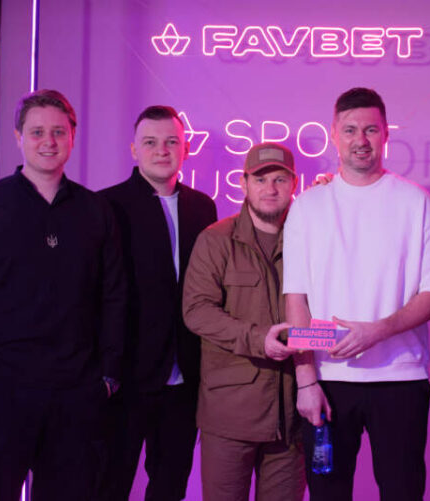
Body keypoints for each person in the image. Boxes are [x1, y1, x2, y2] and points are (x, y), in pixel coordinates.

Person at [0, 89, 125, 500]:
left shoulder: (95, 211)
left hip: (76, 395)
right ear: (18, 137)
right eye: (37, 132)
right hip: (1, 391)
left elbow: (115, 299)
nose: (48, 141)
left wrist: (108, 378)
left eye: (58, 132)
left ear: (73, 137)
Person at [283, 87, 430, 500]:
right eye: (350, 130)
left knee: (402, 491)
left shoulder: (416, 202)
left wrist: (378, 331)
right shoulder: (307, 206)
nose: (361, 140)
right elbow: (296, 300)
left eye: (371, 130)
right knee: (328, 493)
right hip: (327, 380)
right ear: (333, 134)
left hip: (401, 378)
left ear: (386, 133)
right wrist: (305, 380)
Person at [100, 105, 217, 500]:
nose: (162, 150)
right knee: (108, 486)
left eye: (171, 142)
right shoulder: (107, 206)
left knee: (170, 487)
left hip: (185, 379)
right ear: (134, 149)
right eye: (150, 142)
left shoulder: (203, 207)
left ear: (185, 148)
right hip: (124, 378)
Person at [183, 142, 304, 501]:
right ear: (243, 183)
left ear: (294, 184)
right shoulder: (216, 240)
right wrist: (257, 338)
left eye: (280, 179)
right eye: (260, 179)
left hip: (291, 421)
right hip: (230, 416)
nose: (270, 188)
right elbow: (197, 310)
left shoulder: (308, 239)